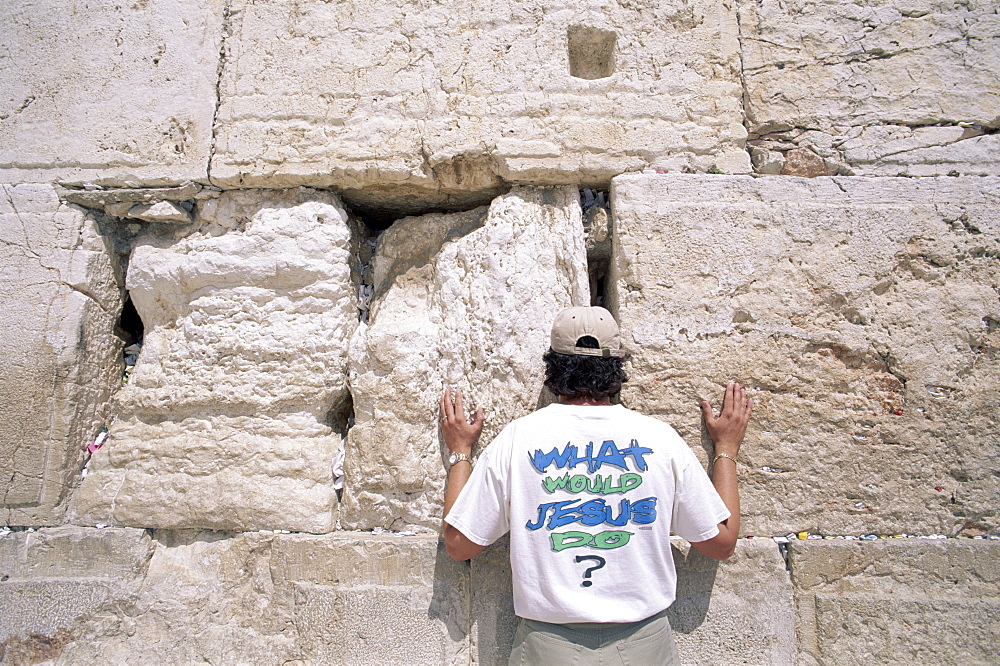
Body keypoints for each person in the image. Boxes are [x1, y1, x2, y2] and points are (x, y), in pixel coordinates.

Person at [441, 306, 752, 664]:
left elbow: (459, 543)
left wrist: (460, 453)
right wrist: (726, 449)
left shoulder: (518, 440)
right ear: (617, 365)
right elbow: (722, 542)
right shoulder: (660, 440)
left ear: (552, 366)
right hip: (643, 647)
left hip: (548, 648)